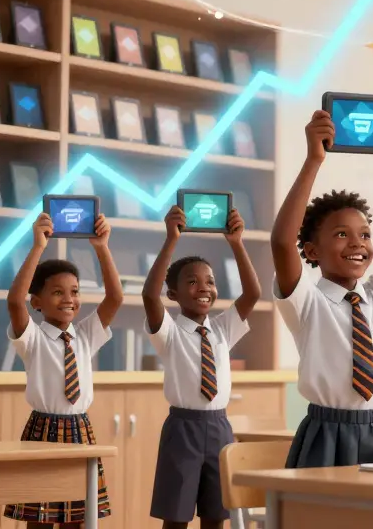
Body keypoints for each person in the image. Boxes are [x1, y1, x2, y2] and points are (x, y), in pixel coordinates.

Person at [270, 109, 373, 468]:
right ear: (312, 251)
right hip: (326, 432)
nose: (357, 243)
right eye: (341, 234)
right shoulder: (306, 300)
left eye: (365, 235)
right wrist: (314, 159)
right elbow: (281, 242)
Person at [144, 204, 262, 529]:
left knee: (217, 515)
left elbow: (253, 293)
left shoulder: (222, 329)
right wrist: (171, 239)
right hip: (183, 430)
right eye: (192, 282)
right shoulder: (168, 332)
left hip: (221, 429)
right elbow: (149, 297)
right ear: (174, 293)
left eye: (209, 281)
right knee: (176, 517)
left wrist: (236, 242)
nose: (204, 288)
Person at [3, 212, 124, 529]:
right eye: (57, 292)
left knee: (78, 517)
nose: (69, 299)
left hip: (80, 431)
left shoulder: (84, 336)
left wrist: (102, 247)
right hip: (43, 431)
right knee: (39, 519)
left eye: (74, 291)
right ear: (38, 302)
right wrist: (38, 246)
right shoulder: (32, 338)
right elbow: (15, 301)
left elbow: (115, 297)